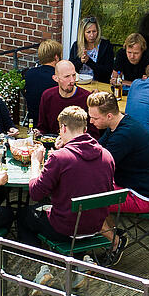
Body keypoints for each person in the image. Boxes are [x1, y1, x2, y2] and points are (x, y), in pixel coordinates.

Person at [18, 106, 117, 283]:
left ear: (63, 128)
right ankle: (80, 266)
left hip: (65, 229)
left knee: (23, 215)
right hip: (95, 227)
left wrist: (36, 163)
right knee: (70, 212)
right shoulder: (107, 155)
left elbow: (35, 192)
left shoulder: (59, 158)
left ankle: (42, 268)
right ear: (85, 129)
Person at [86, 91, 149, 246]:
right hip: (133, 184)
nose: (91, 121)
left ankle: (116, 242)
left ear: (109, 115)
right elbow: (98, 148)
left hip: (142, 195)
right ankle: (112, 233)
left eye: (95, 118)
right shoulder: (119, 123)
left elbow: (100, 167)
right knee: (89, 193)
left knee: (89, 204)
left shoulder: (124, 135)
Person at [36, 60, 92, 135]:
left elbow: (93, 134)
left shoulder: (86, 97)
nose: (72, 80)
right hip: (52, 142)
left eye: (74, 75)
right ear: (56, 78)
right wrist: (38, 133)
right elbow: (42, 128)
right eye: (67, 76)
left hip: (78, 144)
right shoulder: (47, 96)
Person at [22, 38, 62, 120]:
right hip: (52, 124)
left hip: (32, 121)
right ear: (56, 57)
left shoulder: (29, 74)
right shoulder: (58, 78)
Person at [70, 16, 113, 82]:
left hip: (99, 83)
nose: (92, 35)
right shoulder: (76, 45)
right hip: (79, 83)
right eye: (88, 32)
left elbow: (107, 72)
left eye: (94, 31)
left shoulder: (105, 46)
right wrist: (81, 61)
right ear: (83, 33)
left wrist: (89, 62)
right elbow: (70, 69)